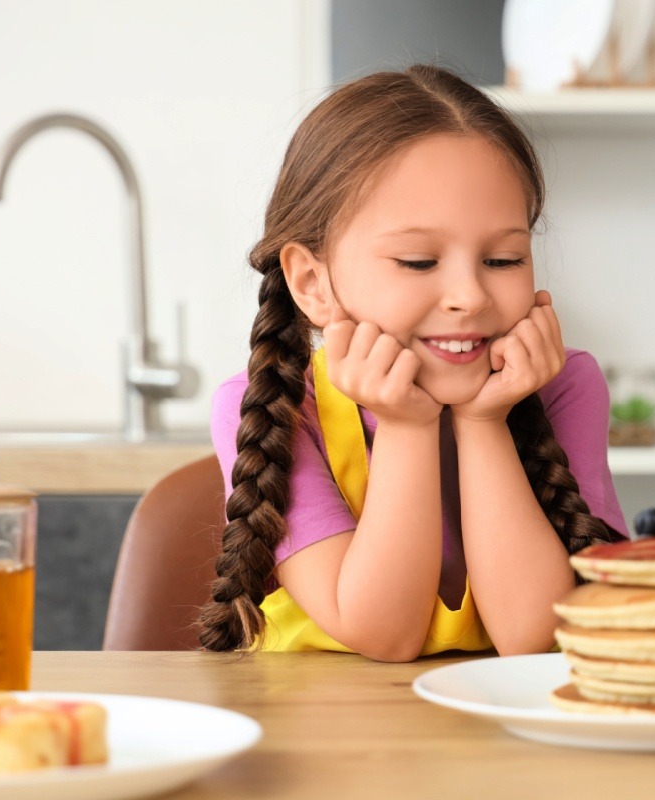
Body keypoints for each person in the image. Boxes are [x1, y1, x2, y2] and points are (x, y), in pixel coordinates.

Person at [200, 65, 626, 661]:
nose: (470, 297)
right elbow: (383, 633)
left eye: (503, 259)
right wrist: (407, 425)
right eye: (419, 261)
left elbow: (534, 637)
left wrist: (483, 423)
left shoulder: (563, 384)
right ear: (312, 282)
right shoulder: (275, 407)